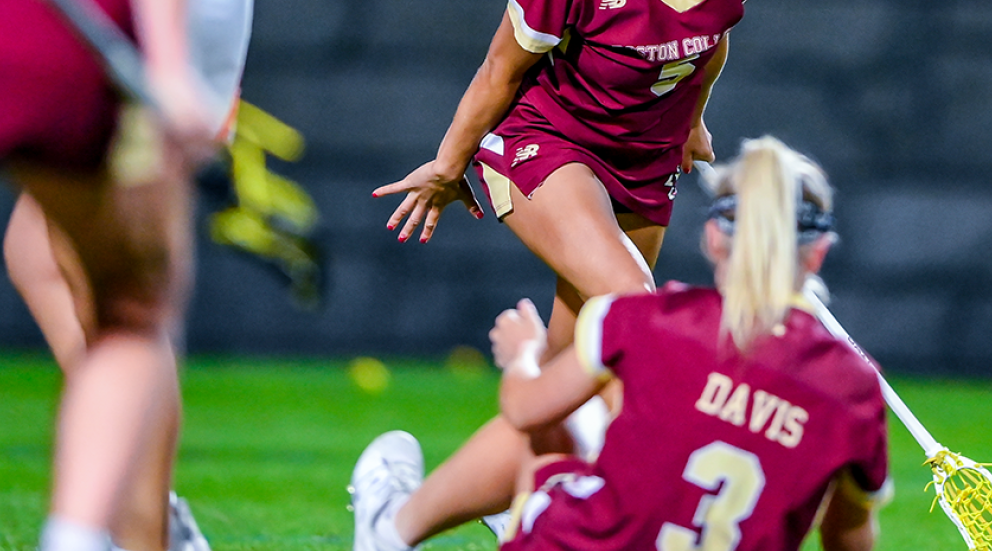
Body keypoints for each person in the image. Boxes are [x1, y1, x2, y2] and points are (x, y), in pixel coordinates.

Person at [361, 0, 776, 543]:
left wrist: (694, 119)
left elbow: (715, 27)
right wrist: (447, 162)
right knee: (636, 316)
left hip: (646, 159)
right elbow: (499, 72)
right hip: (546, 141)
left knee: (564, 378)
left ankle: (405, 516)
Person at [360, 136, 892, 551]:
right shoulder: (854, 386)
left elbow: (524, 409)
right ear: (819, 252)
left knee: (555, 428)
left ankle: (392, 529)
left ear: (712, 238)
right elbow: (848, 537)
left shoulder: (647, 319)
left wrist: (523, 353)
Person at [0, 0, 251, 549]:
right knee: (41, 255)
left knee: (126, 283)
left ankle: (142, 528)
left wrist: (166, 61)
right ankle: (135, 504)